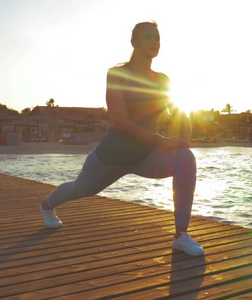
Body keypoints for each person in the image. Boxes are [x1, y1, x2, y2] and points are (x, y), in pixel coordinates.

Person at [39, 21, 203, 256]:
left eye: (157, 38)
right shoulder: (117, 75)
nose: (155, 42)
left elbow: (178, 110)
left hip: (146, 156)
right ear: (134, 42)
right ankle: (47, 205)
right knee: (81, 189)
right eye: (148, 37)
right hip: (112, 156)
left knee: (185, 158)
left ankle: (181, 235)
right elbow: (121, 120)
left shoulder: (163, 80)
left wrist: (183, 139)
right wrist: (161, 140)